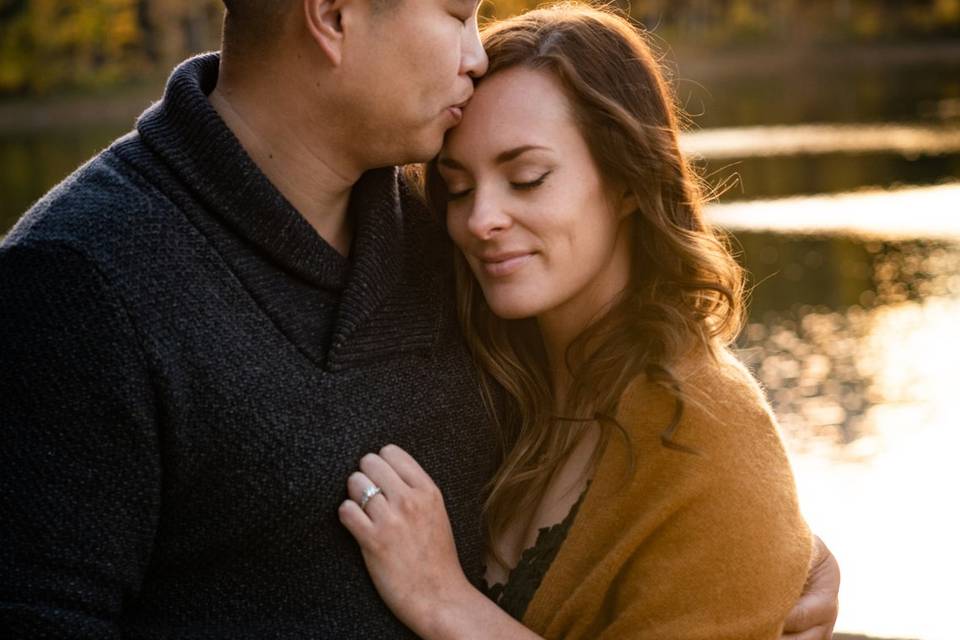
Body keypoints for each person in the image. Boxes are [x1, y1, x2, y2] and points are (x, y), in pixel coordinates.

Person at [0, 1, 837, 638]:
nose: (476, 51)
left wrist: (772, 552)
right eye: (456, 13)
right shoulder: (79, 280)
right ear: (331, 15)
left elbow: (653, 460)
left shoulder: (441, 239)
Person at [338, 4, 837, 639]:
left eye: (527, 178)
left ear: (630, 181)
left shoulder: (710, 425)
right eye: (459, 188)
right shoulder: (498, 382)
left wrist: (442, 601)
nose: (479, 218)